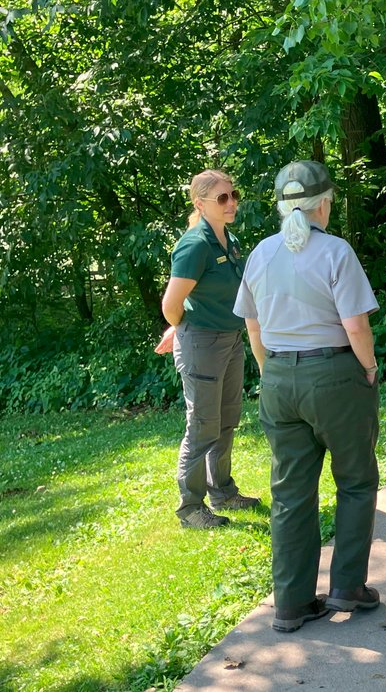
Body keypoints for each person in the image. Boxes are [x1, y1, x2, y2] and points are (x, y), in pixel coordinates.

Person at [234, 160, 382, 633]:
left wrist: (269, 369)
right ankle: (347, 588)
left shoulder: (260, 253)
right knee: (356, 481)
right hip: (335, 374)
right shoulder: (336, 251)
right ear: (324, 203)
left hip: (278, 377)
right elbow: (356, 325)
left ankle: (292, 603)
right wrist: (370, 367)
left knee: (291, 494)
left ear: (281, 207)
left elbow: (252, 325)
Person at [157, 169, 260, 530]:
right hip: (203, 343)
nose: (232, 203)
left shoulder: (226, 238)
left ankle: (223, 491)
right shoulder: (195, 244)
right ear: (200, 204)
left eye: (234, 195)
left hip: (230, 340)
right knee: (202, 425)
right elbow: (172, 303)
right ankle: (190, 508)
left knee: (227, 420)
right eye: (222, 198)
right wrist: (180, 326)